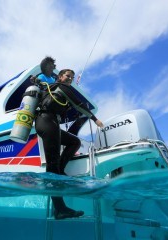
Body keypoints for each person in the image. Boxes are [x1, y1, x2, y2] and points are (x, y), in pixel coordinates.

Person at [35, 69, 104, 220]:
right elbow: (79, 105)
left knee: (75, 142)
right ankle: (60, 209)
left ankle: (61, 169)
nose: (70, 79)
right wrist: (95, 119)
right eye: (67, 76)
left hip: (49, 123)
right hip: (47, 121)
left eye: (72, 78)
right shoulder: (61, 87)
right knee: (51, 167)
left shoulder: (52, 88)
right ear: (60, 77)